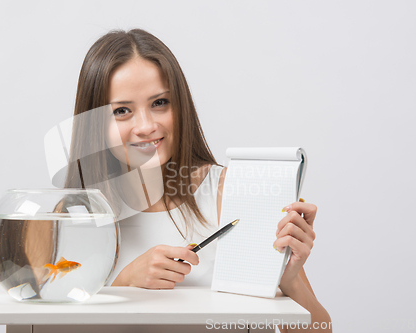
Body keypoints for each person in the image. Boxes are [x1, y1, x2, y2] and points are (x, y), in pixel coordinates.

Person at [65, 29, 332, 332]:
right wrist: (124, 283)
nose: (146, 126)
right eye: (122, 111)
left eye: (160, 103)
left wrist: (288, 279)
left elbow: (321, 330)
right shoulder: (71, 215)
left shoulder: (232, 191)